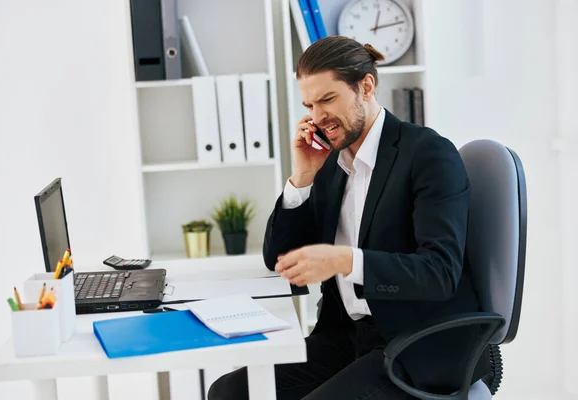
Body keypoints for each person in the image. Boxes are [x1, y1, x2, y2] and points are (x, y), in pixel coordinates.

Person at [208, 35, 489, 400]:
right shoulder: (331, 163)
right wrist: (302, 178)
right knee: (230, 392)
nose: (317, 116)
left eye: (327, 99)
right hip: (347, 337)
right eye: (309, 104)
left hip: (417, 344)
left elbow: (440, 272)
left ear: (366, 87)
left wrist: (344, 260)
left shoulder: (428, 154)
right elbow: (277, 258)